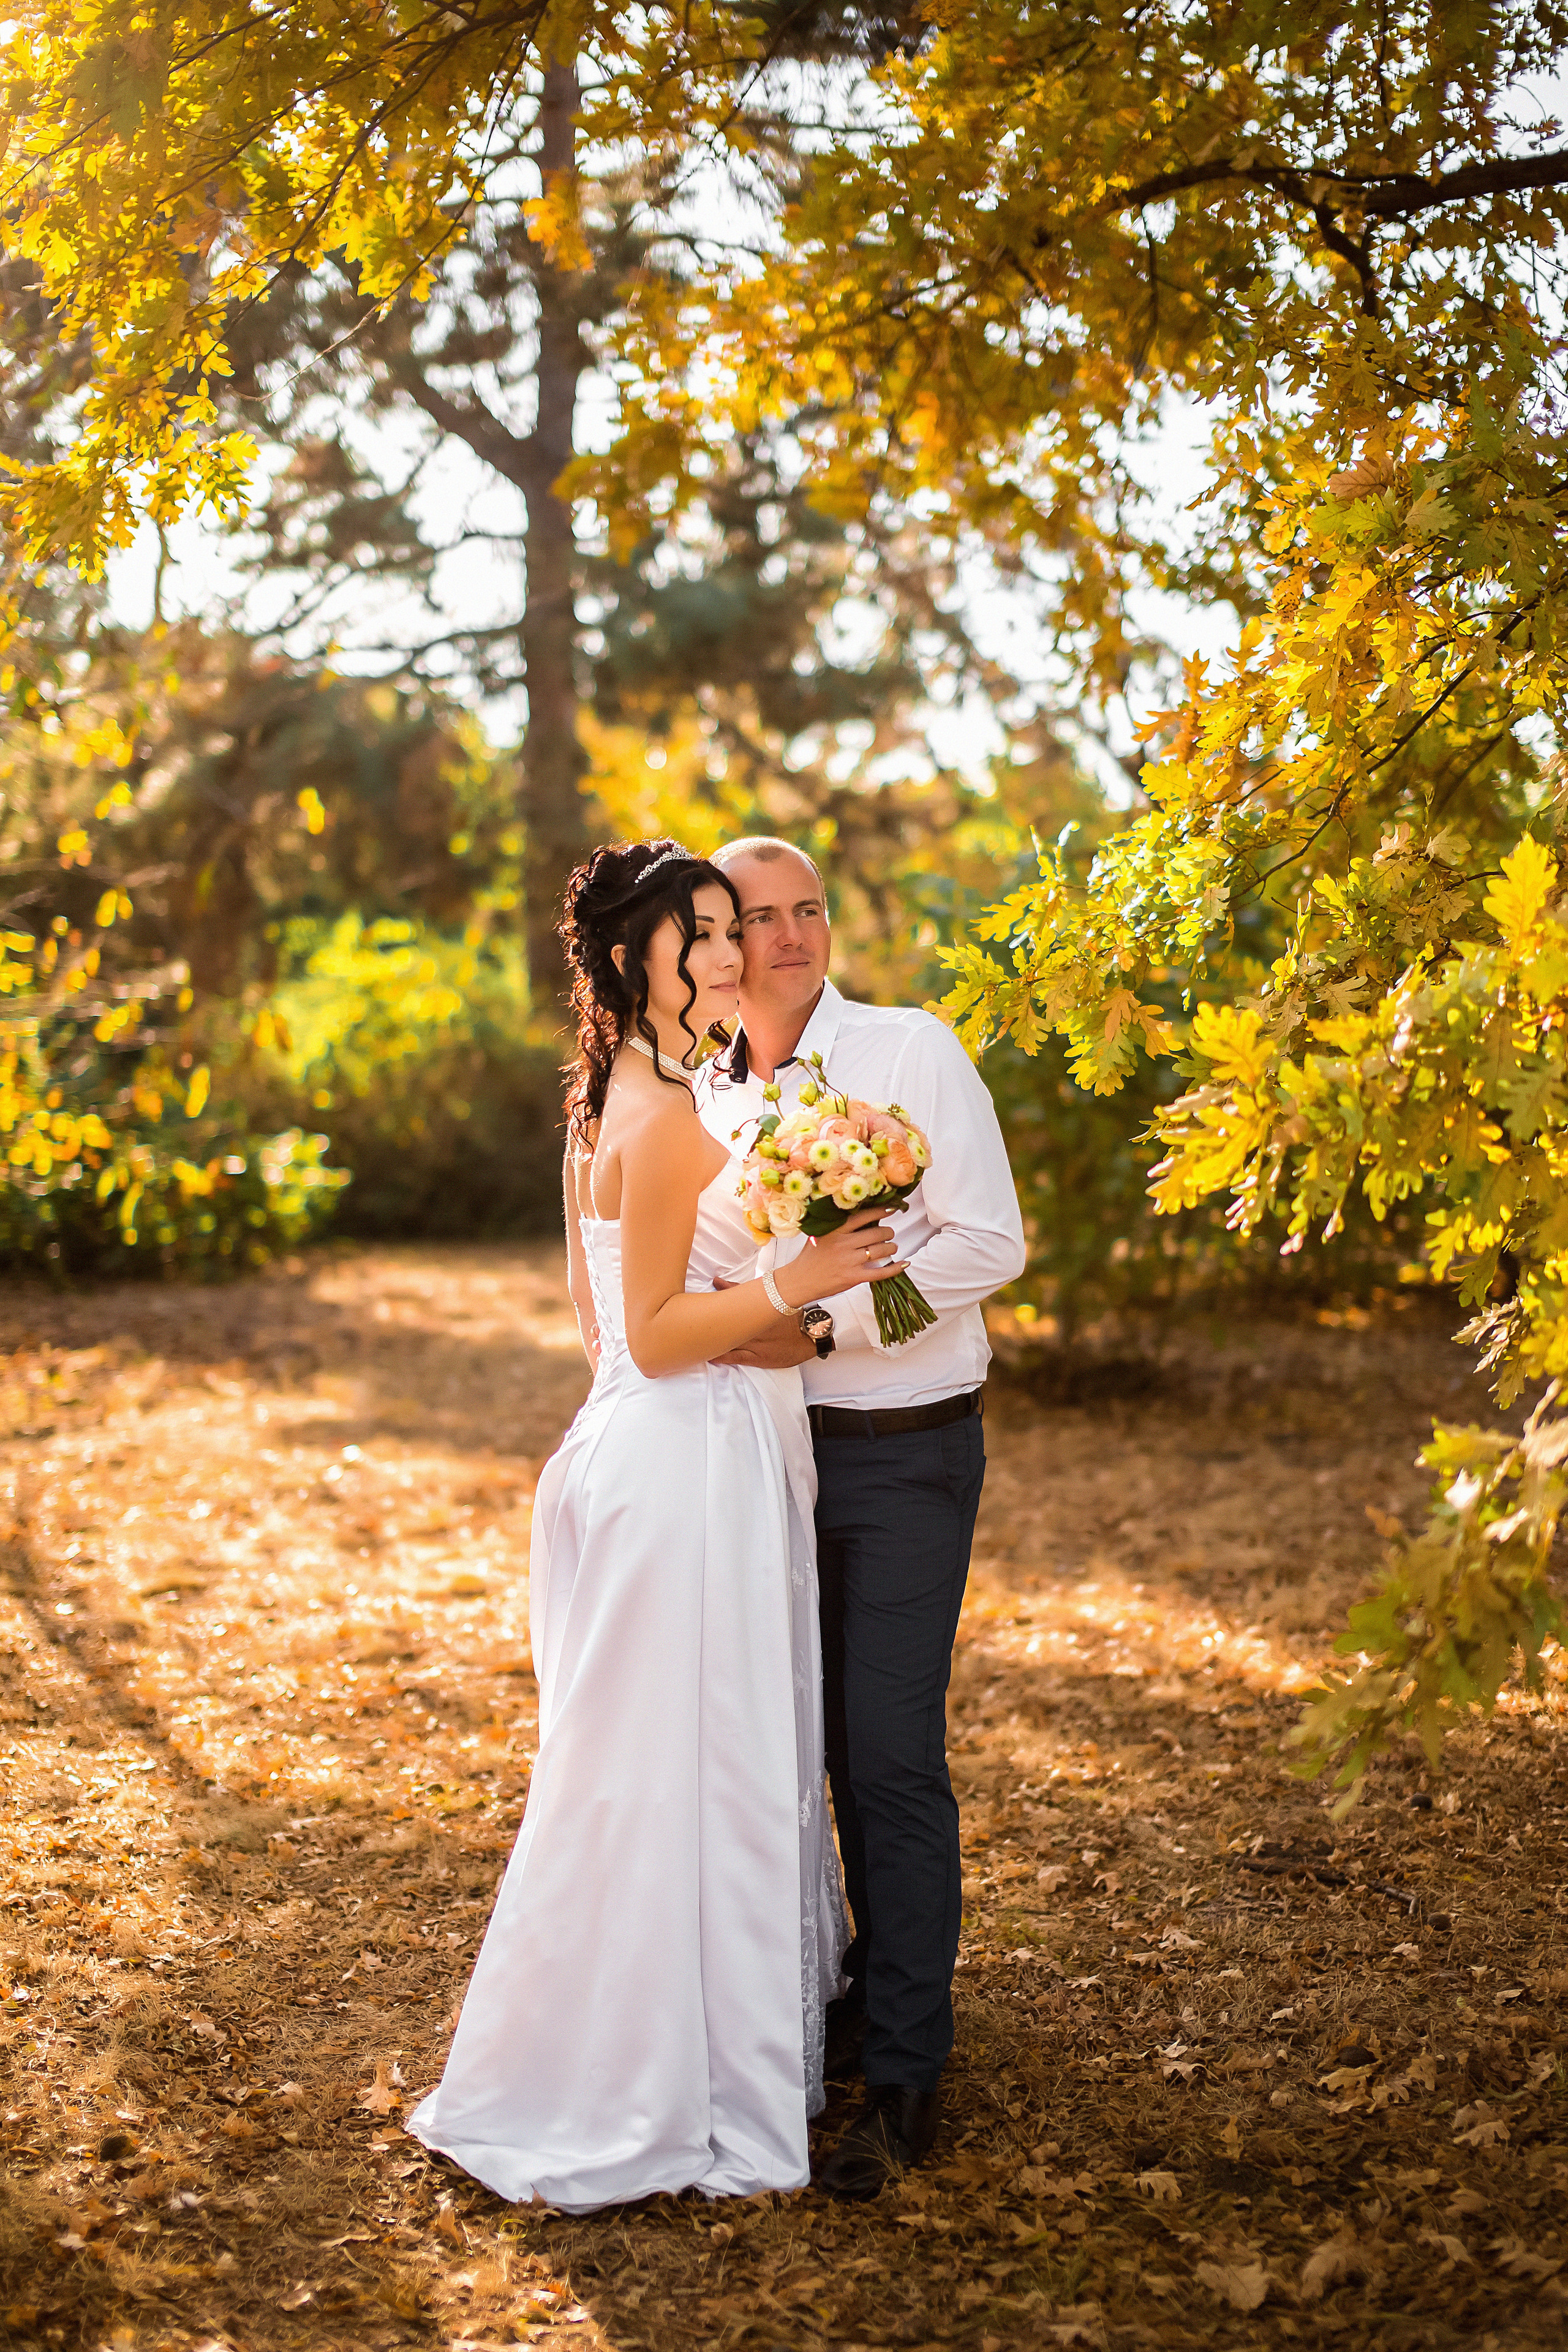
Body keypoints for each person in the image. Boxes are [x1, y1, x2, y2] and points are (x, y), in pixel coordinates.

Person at [408, 839, 906, 2212]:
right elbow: (649, 1331)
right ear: (633, 956)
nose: (727, 952)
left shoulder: (625, 1091)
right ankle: (643, 2080)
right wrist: (794, 1286)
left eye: (725, 930)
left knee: (659, 1771)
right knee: (676, 1777)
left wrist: (763, 1331)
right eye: (697, 933)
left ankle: (653, 2052)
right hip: (681, 1476)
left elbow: (611, 1338)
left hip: (657, 1444)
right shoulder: (665, 1111)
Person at [697, 836, 1027, 2201]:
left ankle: (903, 2073)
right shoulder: (697, 1094)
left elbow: (987, 1244)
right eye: (755, 919)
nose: (786, 937)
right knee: (790, 1752)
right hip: (755, 1467)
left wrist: (825, 1326)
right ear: (711, 943)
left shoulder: (907, 1051)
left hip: (901, 1459)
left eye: (805, 910)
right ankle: (827, 2006)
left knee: (886, 1758)